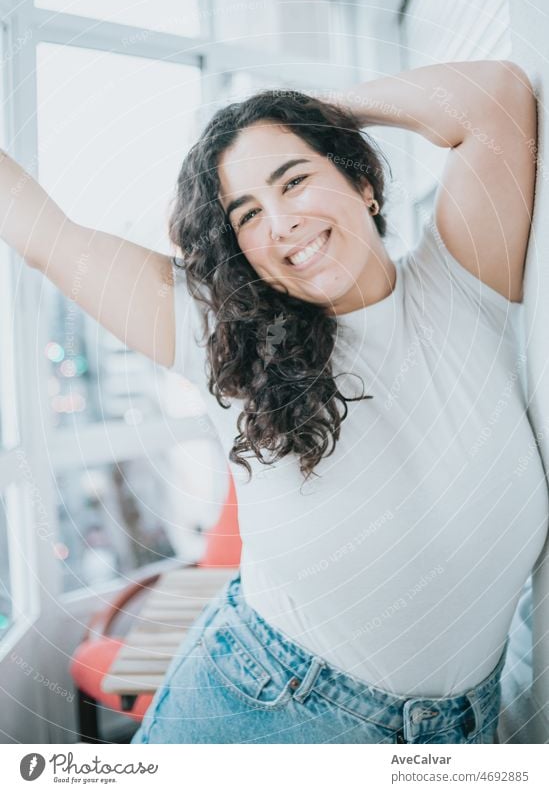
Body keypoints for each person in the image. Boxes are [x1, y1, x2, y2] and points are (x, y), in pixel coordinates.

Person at [1, 60, 546, 744]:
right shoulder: (219, 340)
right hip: (262, 714)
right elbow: (44, 235)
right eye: (248, 214)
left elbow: (493, 100)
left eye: (293, 180)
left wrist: (312, 110)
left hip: (457, 733)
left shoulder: (464, 282)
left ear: (363, 183)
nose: (282, 223)